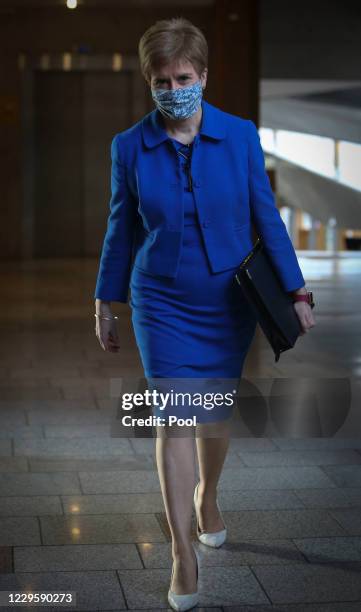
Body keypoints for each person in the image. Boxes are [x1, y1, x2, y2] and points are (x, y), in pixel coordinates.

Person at [94, 17, 316, 611]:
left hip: (226, 300)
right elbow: (121, 230)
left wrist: (296, 290)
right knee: (174, 415)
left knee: (212, 415)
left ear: (204, 76)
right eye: (161, 81)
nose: (172, 90)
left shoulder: (240, 136)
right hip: (160, 299)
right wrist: (104, 302)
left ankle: (208, 495)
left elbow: (266, 216)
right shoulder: (129, 146)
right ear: (149, 82)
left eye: (183, 77)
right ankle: (181, 552)